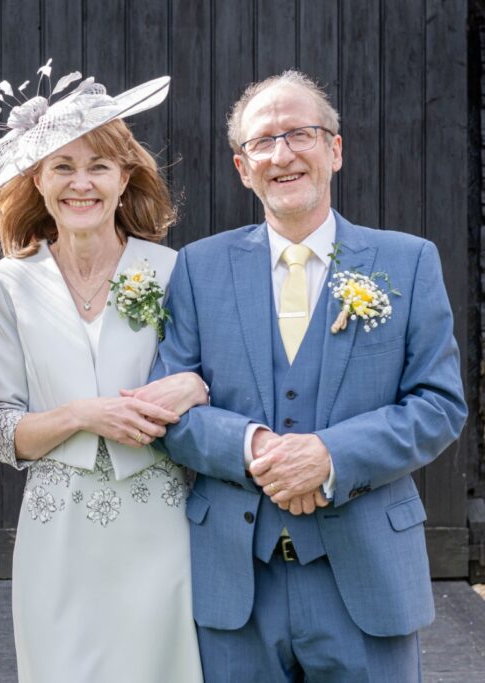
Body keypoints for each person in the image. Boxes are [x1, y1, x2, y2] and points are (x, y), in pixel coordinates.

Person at [150, 70, 467, 681]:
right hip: (237, 580)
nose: (282, 154)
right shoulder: (197, 268)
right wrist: (255, 448)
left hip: (366, 576)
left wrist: (329, 454)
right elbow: (174, 412)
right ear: (242, 167)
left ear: (335, 150)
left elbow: (437, 405)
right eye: (262, 142)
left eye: (300, 134)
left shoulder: (408, 261)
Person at [0, 64, 206, 682]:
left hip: (159, 520)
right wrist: (85, 413)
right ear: (39, 181)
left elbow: (209, 379)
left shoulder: (170, 269)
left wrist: (198, 385)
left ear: (124, 178)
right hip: (59, 528)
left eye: (98, 166)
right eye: (63, 167)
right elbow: (2, 433)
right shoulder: (8, 283)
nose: (82, 184)